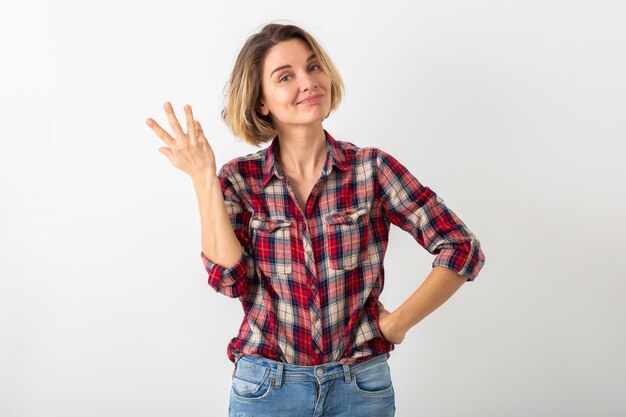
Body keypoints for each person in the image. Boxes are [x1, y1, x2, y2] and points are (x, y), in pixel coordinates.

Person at [146, 23, 485, 417]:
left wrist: (397, 325)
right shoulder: (240, 181)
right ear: (261, 102)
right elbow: (230, 280)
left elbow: (461, 247)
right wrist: (204, 177)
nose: (308, 82)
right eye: (286, 76)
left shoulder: (371, 169)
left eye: (313, 67)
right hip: (267, 389)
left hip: (360, 386)